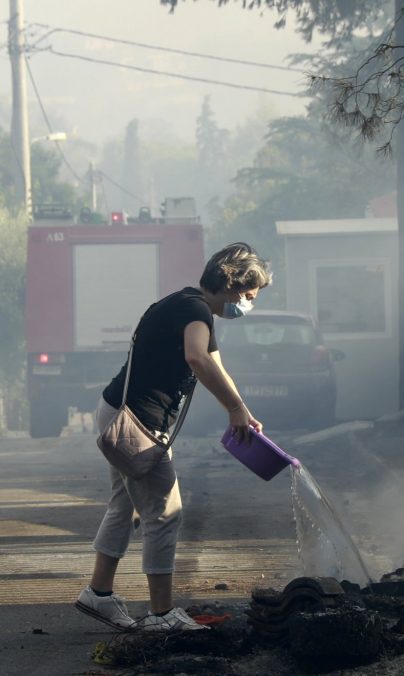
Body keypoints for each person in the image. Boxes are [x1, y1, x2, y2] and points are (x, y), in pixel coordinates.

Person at [75, 242, 271, 632]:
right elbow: (196, 359)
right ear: (230, 284)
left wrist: (241, 410)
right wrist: (232, 409)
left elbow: (216, 365)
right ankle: (163, 615)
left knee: (125, 506)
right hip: (136, 423)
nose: (249, 304)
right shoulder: (194, 310)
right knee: (165, 511)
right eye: (249, 295)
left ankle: (98, 594)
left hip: (120, 414)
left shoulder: (189, 305)